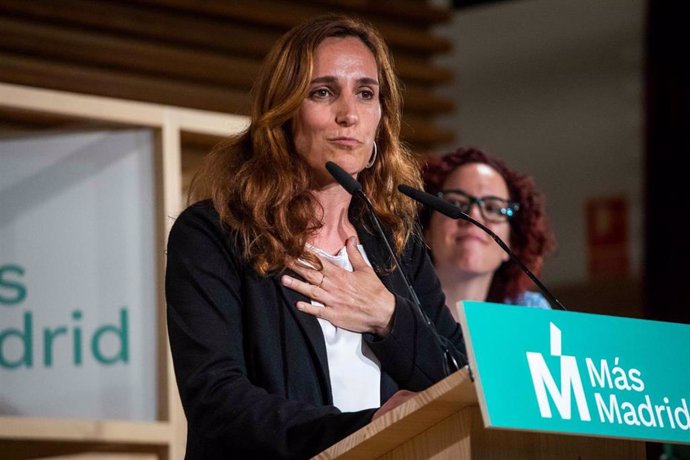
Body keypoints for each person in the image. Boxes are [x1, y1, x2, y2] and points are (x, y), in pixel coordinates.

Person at [165, 15, 467, 460]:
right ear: (284, 114)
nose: (349, 115)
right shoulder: (215, 235)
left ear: (381, 120)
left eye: (366, 93)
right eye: (323, 92)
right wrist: (365, 430)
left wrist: (388, 317)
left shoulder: (397, 247)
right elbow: (217, 402)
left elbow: (458, 380)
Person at [421, 147, 556, 320]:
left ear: (511, 242)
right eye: (455, 202)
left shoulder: (529, 313)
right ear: (426, 229)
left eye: (492, 208)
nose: (473, 216)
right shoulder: (391, 305)